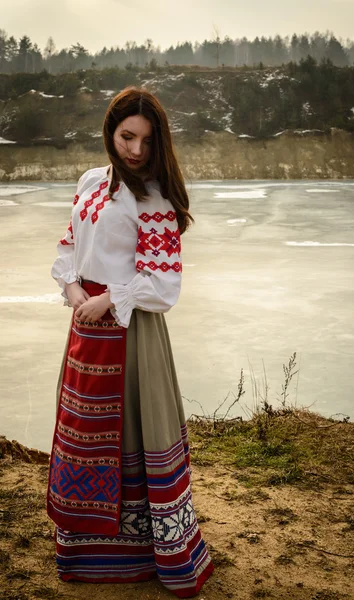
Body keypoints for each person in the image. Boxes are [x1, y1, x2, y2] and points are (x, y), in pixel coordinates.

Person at [46, 86, 214, 598]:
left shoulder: (153, 196)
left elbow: (163, 284)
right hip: (85, 323)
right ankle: (84, 550)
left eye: (145, 139)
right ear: (110, 132)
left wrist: (109, 299)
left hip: (132, 328)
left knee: (133, 432)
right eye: (126, 136)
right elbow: (70, 246)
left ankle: (148, 554)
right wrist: (73, 287)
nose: (135, 150)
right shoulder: (91, 182)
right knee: (83, 430)